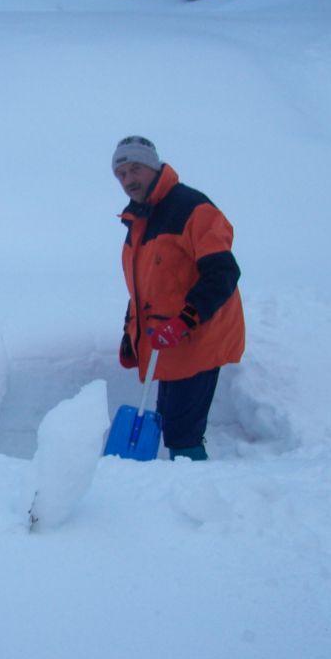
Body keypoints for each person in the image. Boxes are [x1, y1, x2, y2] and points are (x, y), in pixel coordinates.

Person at [111, 136, 244, 460]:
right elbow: (145, 287)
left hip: (198, 339)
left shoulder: (193, 209)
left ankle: (197, 501)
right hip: (164, 344)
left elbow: (222, 273)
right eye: (121, 174)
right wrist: (131, 335)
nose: (129, 180)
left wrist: (185, 320)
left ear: (154, 167)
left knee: (182, 434)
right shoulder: (140, 220)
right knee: (169, 423)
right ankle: (179, 489)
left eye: (135, 169)